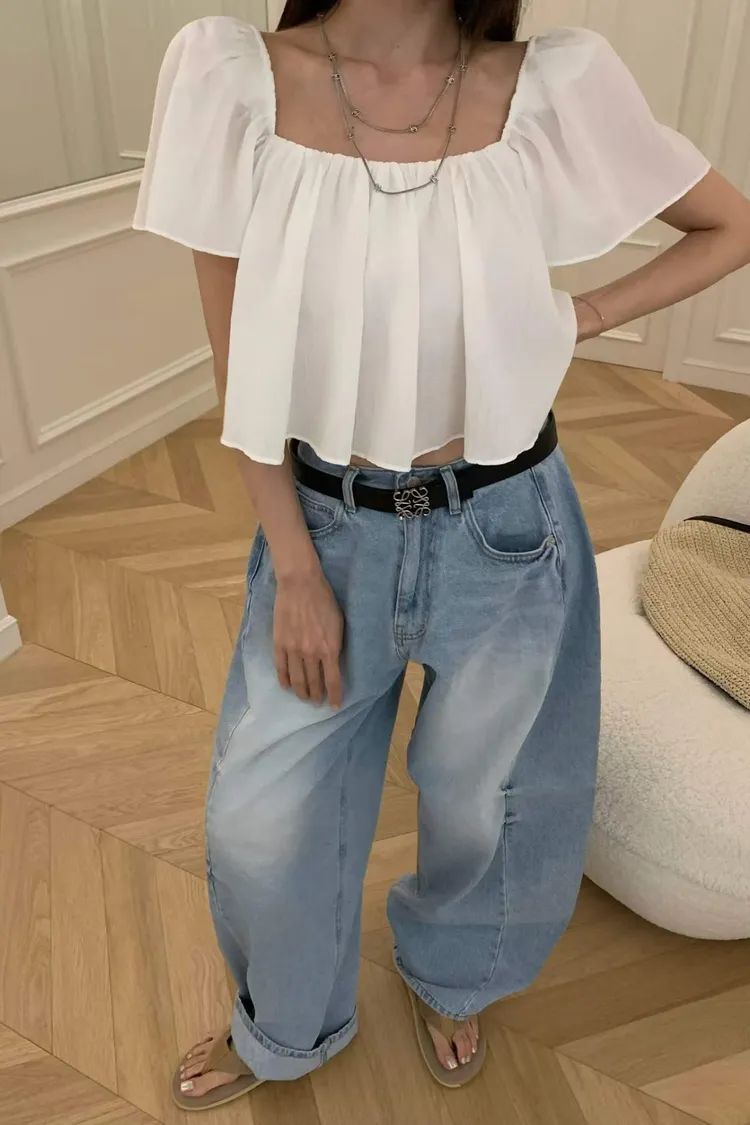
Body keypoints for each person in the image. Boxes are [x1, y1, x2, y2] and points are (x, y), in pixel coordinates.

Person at [134, 0, 750, 1108]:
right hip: (326, 524)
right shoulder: (230, 78)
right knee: (263, 816)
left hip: (506, 527)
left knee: (494, 796)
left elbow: (728, 224)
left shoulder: (550, 85)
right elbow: (243, 368)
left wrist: (580, 316)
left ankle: (455, 975)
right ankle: (285, 1024)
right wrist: (295, 563)